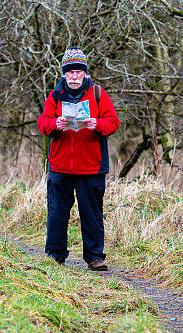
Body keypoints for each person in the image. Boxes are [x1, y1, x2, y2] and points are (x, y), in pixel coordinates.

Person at [37, 47, 120, 271]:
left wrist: (98, 124)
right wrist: (54, 124)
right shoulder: (54, 96)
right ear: (64, 73)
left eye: (78, 72)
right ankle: (55, 254)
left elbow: (113, 122)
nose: (74, 77)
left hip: (91, 167)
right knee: (56, 213)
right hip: (60, 166)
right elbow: (43, 123)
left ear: (85, 72)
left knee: (91, 215)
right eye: (70, 72)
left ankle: (95, 258)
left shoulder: (98, 94)